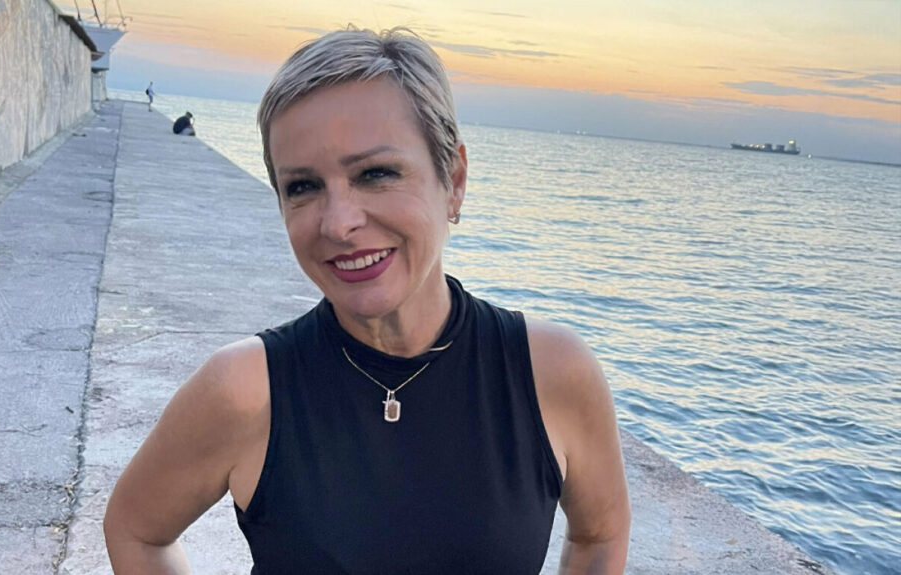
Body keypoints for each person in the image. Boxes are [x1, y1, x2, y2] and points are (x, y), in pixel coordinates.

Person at [104, 26, 629, 574]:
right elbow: (136, 529)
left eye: (375, 174)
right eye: (303, 187)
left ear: (453, 181)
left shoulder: (549, 373)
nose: (338, 223)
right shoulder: (245, 390)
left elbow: (600, 535)